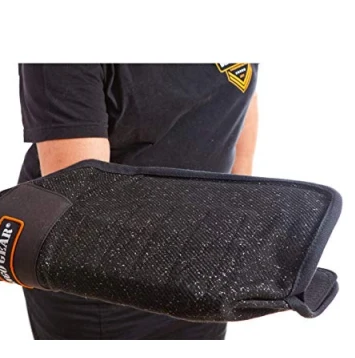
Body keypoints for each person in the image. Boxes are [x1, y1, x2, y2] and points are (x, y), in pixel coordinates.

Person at [18, 63, 259, 340]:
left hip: (199, 264)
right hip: (100, 278)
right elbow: (84, 204)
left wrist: (235, 220)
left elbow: (241, 97)